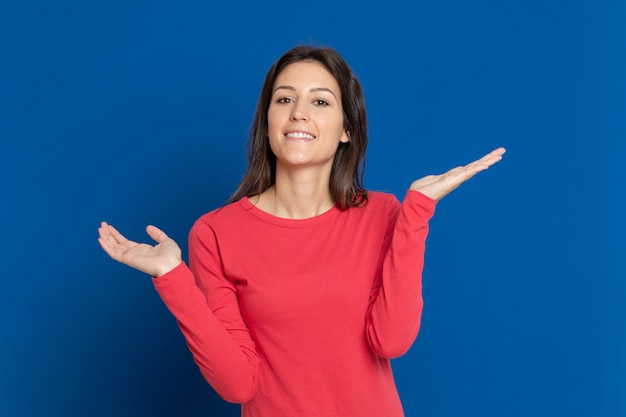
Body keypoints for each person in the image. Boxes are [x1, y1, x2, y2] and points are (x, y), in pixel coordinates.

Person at [98, 45, 505, 417]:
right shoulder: (215, 233)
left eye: (321, 101)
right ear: (268, 120)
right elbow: (238, 384)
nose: (299, 112)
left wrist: (417, 212)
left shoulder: (382, 214)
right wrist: (172, 278)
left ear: (347, 128)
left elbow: (391, 341)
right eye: (285, 98)